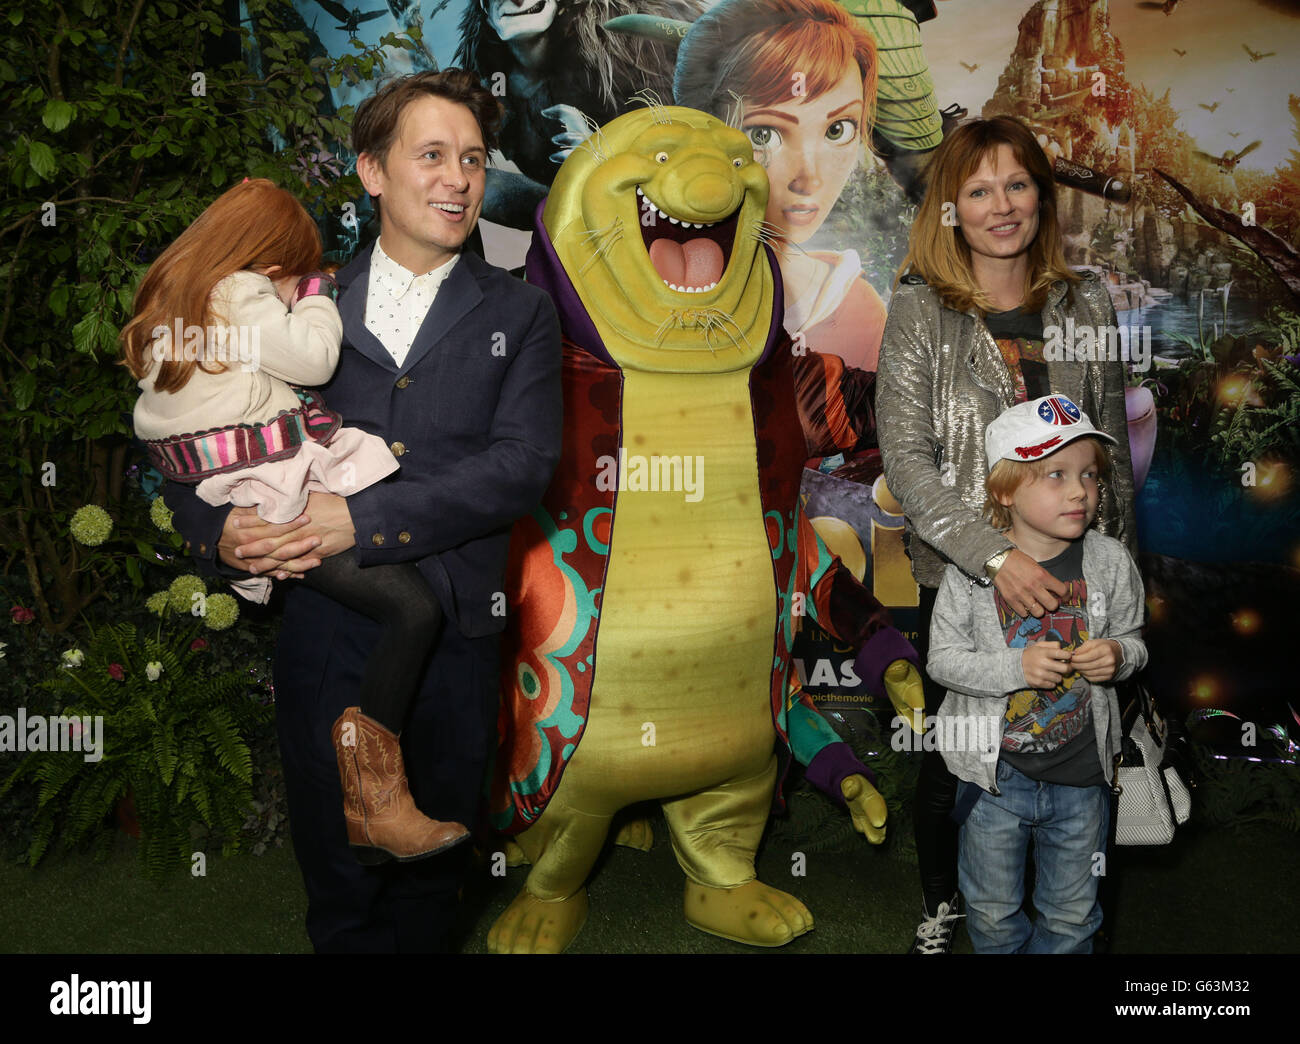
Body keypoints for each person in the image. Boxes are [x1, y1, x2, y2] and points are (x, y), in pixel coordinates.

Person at [161, 69, 563, 952]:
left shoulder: (524, 313)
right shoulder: (294, 305)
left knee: (430, 887)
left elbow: (524, 464)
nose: (458, 178)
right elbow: (189, 443)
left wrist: (364, 520)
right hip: (325, 634)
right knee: (340, 888)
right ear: (372, 172)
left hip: (455, 636)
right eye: (431, 155)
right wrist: (216, 533)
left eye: (472, 158)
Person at [123, 178, 471, 866]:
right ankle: (378, 799)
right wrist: (311, 294)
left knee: (406, 601)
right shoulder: (244, 291)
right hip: (277, 482)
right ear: (274, 259)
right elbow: (314, 359)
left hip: (240, 486)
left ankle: (373, 790)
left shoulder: (172, 304)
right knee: (412, 608)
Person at [875, 114, 1138, 954]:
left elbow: (1113, 456)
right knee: (960, 746)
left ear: (1041, 196)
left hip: (1075, 568)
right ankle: (948, 901)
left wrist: (1123, 574)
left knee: (1070, 732)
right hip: (961, 568)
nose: (1001, 205)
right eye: (979, 189)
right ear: (950, 207)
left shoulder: (1085, 299)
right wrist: (993, 558)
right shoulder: (920, 308)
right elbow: (907, 459)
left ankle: (1066, 907)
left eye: (1017, 185)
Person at [927, 395, 1146, 953]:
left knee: (1072, 917)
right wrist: (1015, 667)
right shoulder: (970, 572)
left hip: (1084, 782)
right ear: (1004, 489)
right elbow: (942, 661)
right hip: (994, 780)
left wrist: (1119, 656)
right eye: (1056, 475)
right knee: (993, 913)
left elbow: (1136, 642)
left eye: (1089, 475)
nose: (1080, 491)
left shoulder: (1111, 561)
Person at [672, 0, 888, 373]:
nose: (810, 178)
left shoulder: (855, 309)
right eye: (764, 133)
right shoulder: (652, 281)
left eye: (838, 130)